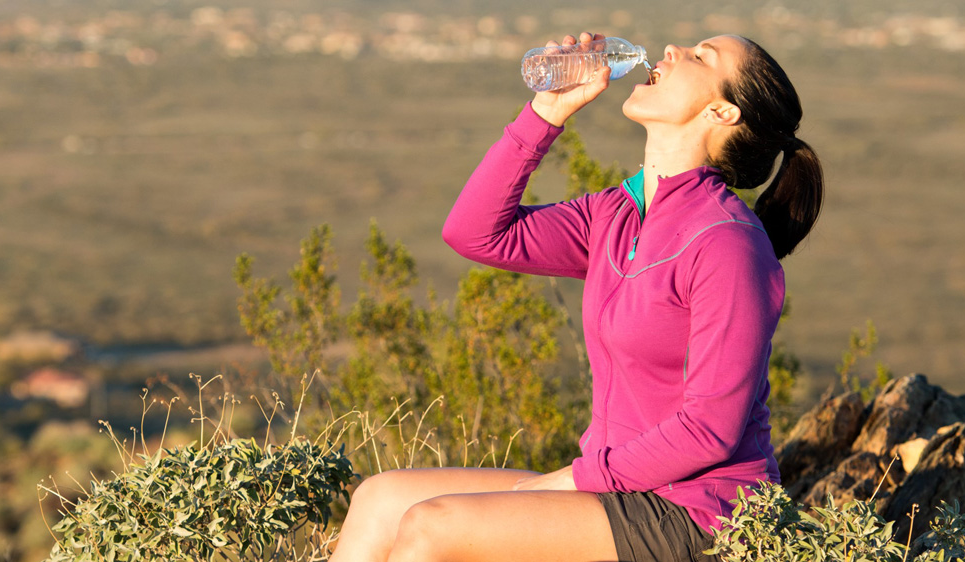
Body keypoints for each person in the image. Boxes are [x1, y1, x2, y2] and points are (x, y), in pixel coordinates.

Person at [329, 31, 824, 562]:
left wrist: (570, 480)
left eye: (701, 57)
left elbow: (709, 431)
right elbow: (475, 233)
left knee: (431, 527)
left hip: (701, 516)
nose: (673, 51)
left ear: (723, 112)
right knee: (379, 500)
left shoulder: (728, 244)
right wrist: (547, 112)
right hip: (617, 488)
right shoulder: (617, 214)